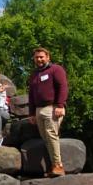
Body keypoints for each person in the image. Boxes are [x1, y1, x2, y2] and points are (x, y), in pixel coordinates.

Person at [28, 47, 69, 177]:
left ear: (48, 57)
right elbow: (31, 95)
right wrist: (31, 113)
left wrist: (60, 105)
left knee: (51, 135)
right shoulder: (34, 74)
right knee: (46, 138)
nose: (39, 59)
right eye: (36, 57)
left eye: (41, 57)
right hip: (39, 110)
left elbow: (63, 87)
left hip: (52, 108)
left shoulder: (56, 69)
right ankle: (53, 167)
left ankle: (58, 165)